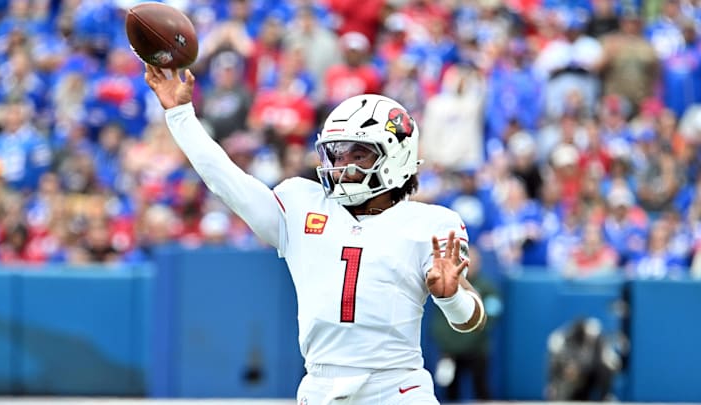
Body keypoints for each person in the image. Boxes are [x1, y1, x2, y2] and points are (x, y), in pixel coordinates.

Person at [143, 65, 486, 404]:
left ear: (396, 156)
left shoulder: (430, 224)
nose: (342, 165)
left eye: (359, 154)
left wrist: (449, 297)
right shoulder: (302, 204)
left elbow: (469, 320)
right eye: (336, 153)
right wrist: (181, 115)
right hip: (321, 388)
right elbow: (226, 180)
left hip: (397, 388)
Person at [431, 246, 502, 401]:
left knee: (481, 389)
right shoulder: (448, 284)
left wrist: (471, 334)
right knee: (450, 391)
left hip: (477, 349)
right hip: (451, 351)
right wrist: (448, 343)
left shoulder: (487, 286)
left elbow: (491, 315)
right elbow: (439, 320)